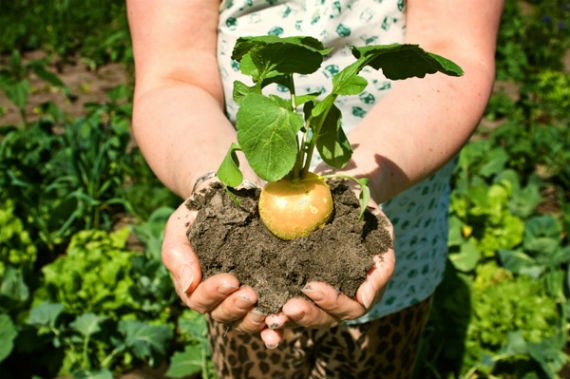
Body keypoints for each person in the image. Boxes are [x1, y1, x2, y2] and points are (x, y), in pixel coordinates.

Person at [127, 0, 503, 378]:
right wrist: (215, 188)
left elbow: (454, 48)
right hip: (249, 205)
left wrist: (356, 184)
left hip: (397, 218)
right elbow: (173, 75)